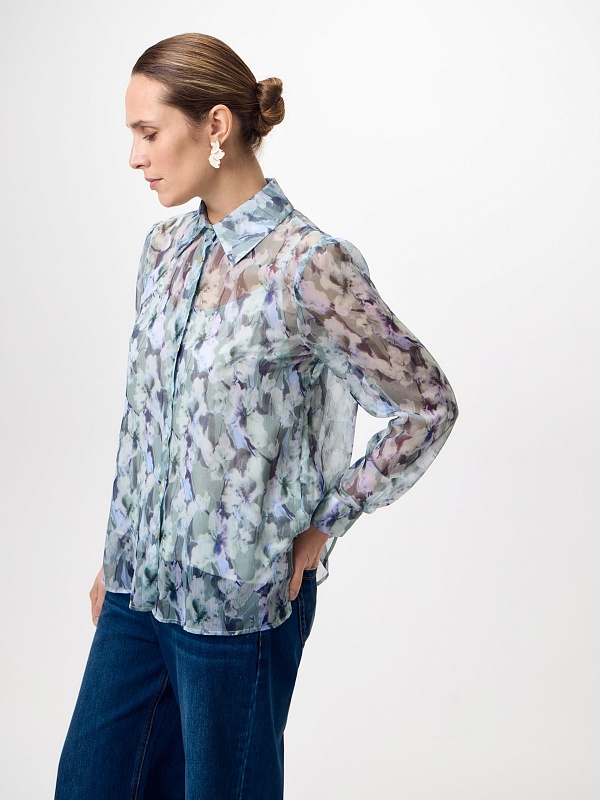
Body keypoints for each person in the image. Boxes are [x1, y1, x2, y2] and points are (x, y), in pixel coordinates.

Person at [54, 32, 459, 800]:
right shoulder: (164, 250)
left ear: (215, 125)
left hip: (237, 609)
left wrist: (327, 522)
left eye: (148, 132)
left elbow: (426, 406)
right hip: (138, 593)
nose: (135, 156)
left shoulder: (310, 266)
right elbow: (146, 423)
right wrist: (118, 553)